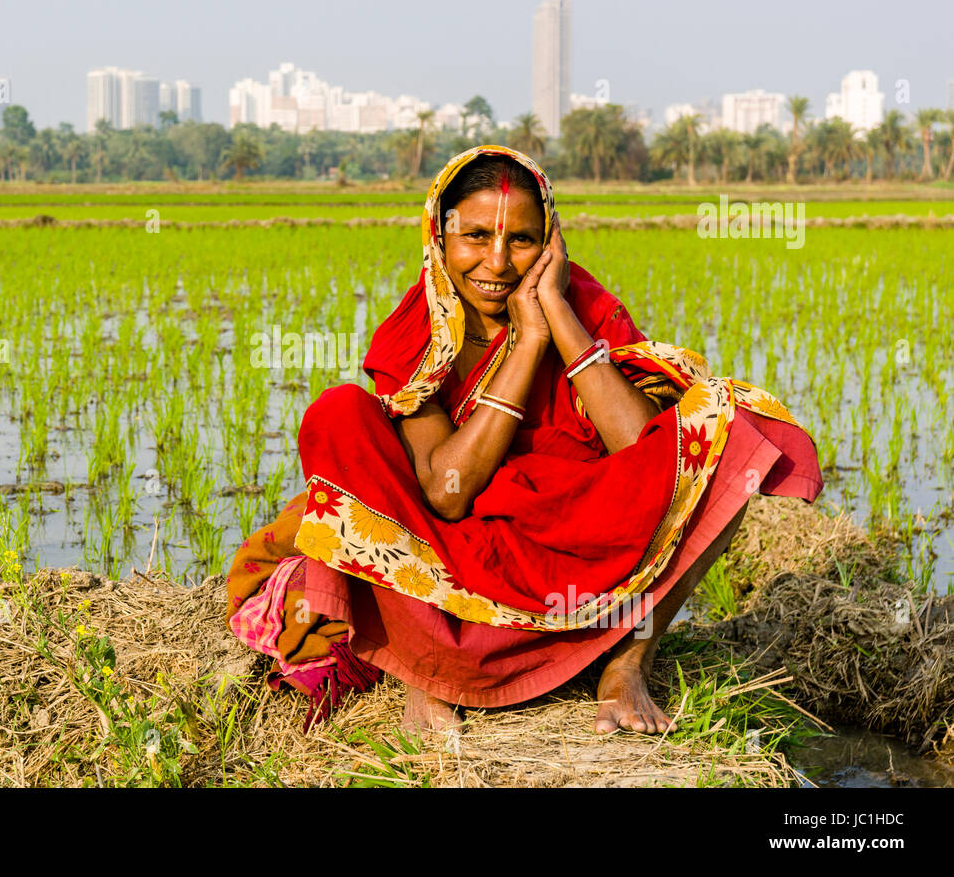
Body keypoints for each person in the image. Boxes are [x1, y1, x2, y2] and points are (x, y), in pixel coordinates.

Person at [226, 145, 823, 735]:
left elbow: (640, 446)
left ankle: (626, 664)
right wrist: (527, 346)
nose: (497, 262)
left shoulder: (585, 307)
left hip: (571, 535)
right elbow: (446, 493)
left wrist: (556, 318)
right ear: (438, 235)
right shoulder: (418, 332)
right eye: (476, 236)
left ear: (552, 242)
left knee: (730, 431)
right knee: (339, 414)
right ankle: (425, 671)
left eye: (522, 240)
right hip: (454, 556)